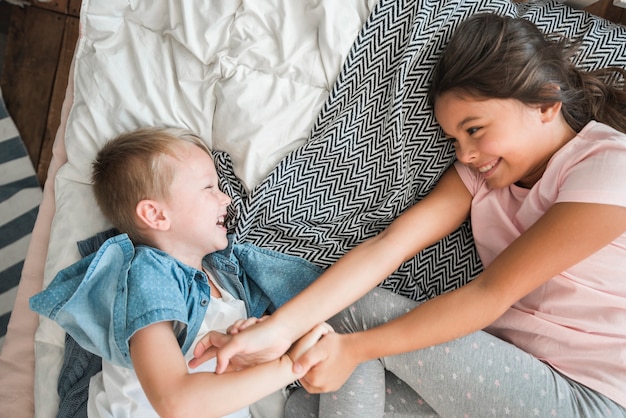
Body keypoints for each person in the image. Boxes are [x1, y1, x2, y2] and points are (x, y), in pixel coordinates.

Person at [192, 13, 626, 417]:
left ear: (545, 103)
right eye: (454, 139)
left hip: (590, 397)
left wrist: (347, 348)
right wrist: (279, 334)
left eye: (474, 129)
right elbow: (389, 246)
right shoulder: (480, 178)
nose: (467, 154)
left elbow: (489, 294)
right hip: (514, 376)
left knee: (356, 318)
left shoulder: (607, 165)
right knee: (307, 403)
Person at [29, 127, 332, 418]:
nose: (225, 198)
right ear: (156, 214)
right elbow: (175, 401)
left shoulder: (228, 279)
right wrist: (288, 365)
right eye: (208, 187)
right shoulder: (148, 276)